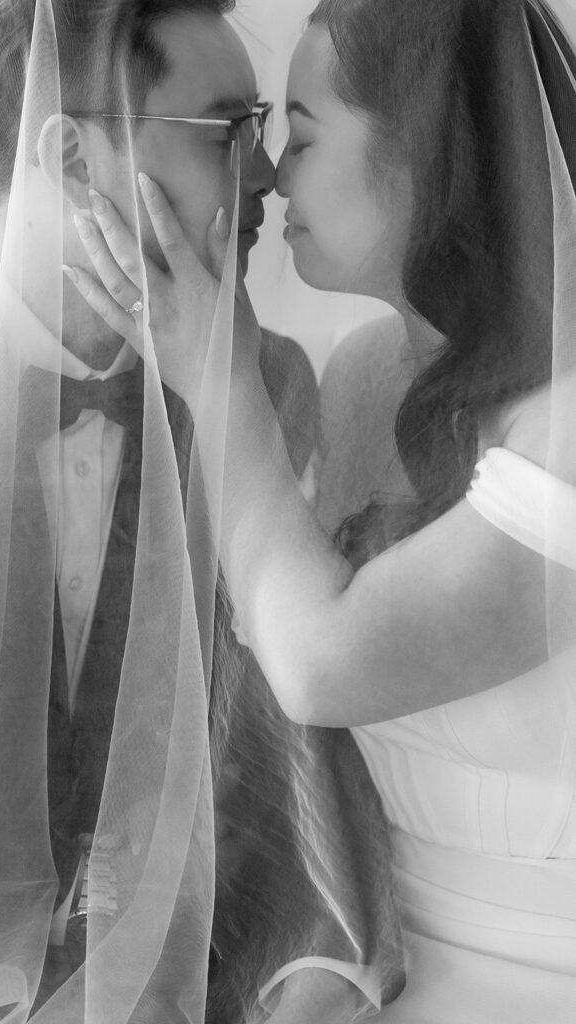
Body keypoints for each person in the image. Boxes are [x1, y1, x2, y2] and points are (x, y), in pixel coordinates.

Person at [0, 0, 404, 1020]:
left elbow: (290, 777)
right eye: (223, 132)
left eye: (263, 128)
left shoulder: (264, 392)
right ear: (74, 164)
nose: (264, 175)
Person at [68, 0, 576, 1019]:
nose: (268, 173)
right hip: (366, 966)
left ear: (426, 154)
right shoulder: (356, 380)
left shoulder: (564, 421)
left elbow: (321, 663)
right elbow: (301, 755)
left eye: (297, 133)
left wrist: (214, 366)